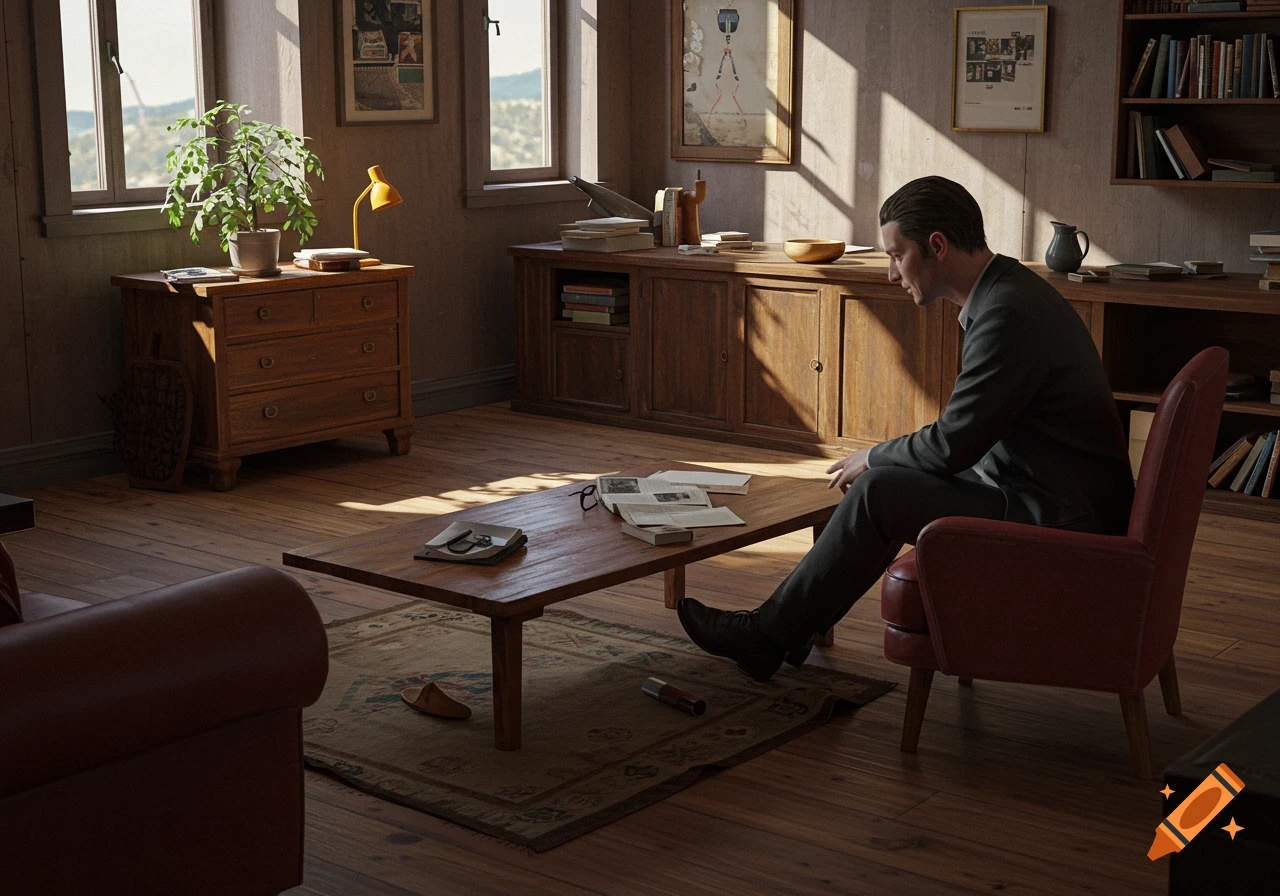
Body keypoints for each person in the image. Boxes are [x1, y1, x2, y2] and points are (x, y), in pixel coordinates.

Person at [677, 175, 1135, 682]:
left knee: (879, 490)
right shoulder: (1008, 292)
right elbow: (963, 437)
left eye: (897, 255)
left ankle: (768, 635)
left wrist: (874, 456)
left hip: (1056, 516)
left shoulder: (1007, 313)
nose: (893, 274)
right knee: (884, 486)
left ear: (936, 246)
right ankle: (787, 627)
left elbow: (952, 446)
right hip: (1042, 491)